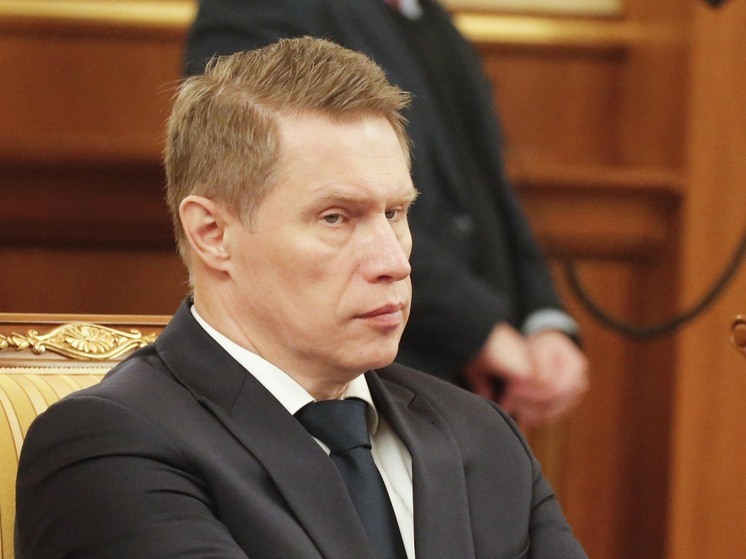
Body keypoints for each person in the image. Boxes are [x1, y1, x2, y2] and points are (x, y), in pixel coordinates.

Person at [15, 37, 586, 558]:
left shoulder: (480, 434)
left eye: (395, 213)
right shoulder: (112, 443)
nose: (392, 262)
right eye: (336, 217)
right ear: (212, 234)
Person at [183, 0, 589, 426]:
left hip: (469, 393)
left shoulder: (428, 16)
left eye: (397, 214)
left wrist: (542, 319)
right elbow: (271, 194)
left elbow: (489, 184)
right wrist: (479, 331)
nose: (395, 263)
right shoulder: (258, 9)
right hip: (346, 387)